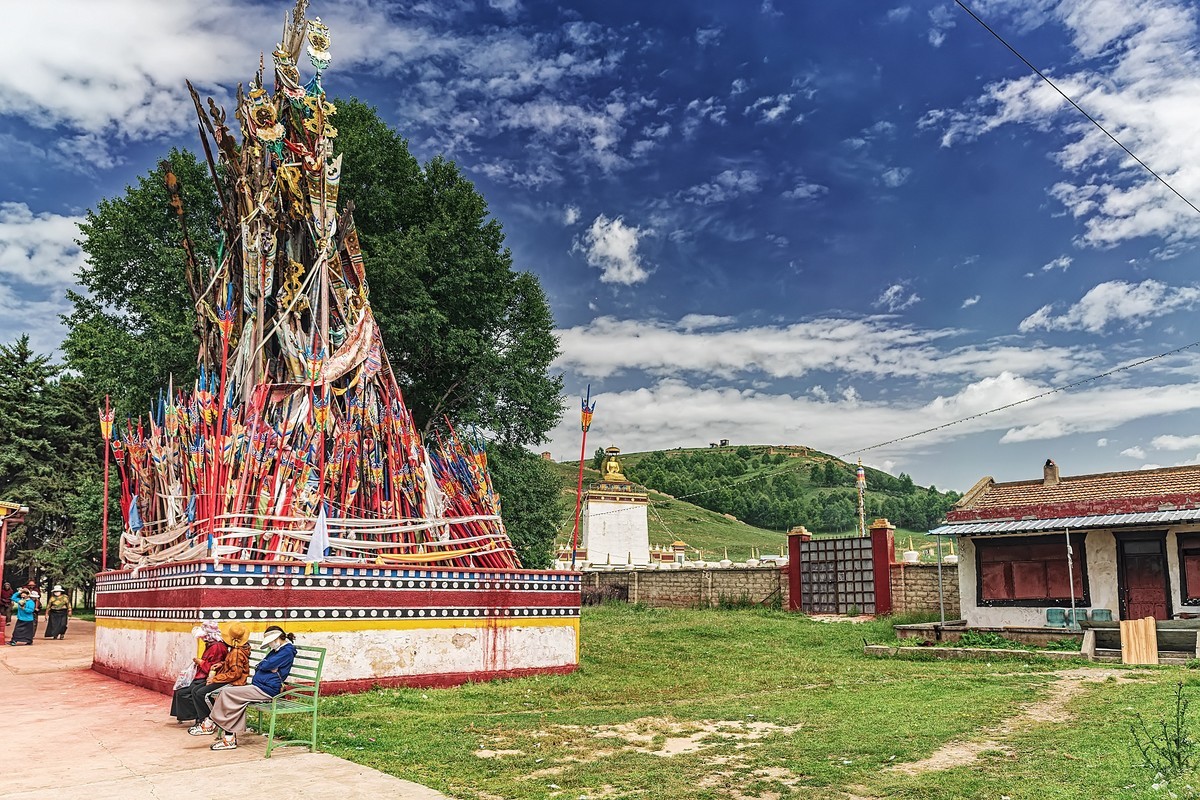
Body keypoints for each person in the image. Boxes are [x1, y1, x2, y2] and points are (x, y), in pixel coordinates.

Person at [198, 625, 296, 751]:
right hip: (260, 686)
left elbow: (266, 665)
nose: (270, 645)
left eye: (271, 642)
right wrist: (265, 666)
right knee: (230, 696)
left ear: (277, 639)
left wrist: (265, 666)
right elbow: (262, 665)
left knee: (227, 693)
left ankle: (210, 723)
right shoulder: (277, 650)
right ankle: (227, 737)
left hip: (267, 690)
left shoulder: (287, 651)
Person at [191, 622, 251, 724]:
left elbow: (235, 674)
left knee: (202, 693)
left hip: (233, 682)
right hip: (227, 678)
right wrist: (222, 664)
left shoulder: (236, 652)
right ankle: (204, 720)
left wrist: (215, 679)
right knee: (196, 690)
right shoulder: (236, 649)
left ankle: (210, 721)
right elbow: (234, 664)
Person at [170, 621, 228, 724]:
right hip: (202, 675)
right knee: (180, 689)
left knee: (187, 692)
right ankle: (189, 716)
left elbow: (212, 668)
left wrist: (201, 663)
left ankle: (199, 716)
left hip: (209, 677)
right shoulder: (211, 645)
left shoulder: (217, 647)